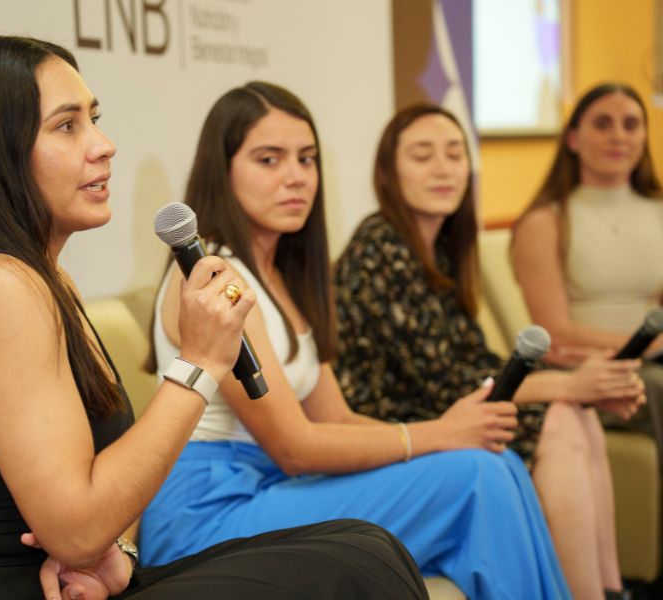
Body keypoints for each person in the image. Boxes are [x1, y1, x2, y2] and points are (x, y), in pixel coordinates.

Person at [0, 36, 430, 600]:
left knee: (363, 544)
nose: (104, 145)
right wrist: (199, 363)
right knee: (358, 566)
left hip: (81, 586)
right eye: (67, 126)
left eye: (94, 120)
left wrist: (118, 556)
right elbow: (75, 530)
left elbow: (100, 498)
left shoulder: (45, 280)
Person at [143, 81, 572, 600]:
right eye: (269, 159)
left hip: (272, 488)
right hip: (209, 512)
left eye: (306, 159)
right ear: (222, 170)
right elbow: (295, 448)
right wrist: (438, 434)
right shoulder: (212, 277)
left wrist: (447, 437)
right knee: (477, 477)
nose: (296, 177)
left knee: (498, 462)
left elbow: (338, 419)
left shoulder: (285, 276)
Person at [332, 103, 645, 599]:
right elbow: (444, 382)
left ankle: (609, 587)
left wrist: (576, 387)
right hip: (393, 423)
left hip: (438, 402)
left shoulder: (441, 247)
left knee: (574, 412)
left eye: (455, 154)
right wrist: (567, 383)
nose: (443, 169)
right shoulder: (381, 245)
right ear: (388, 173)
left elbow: (472, 361)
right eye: (423, 156)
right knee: (558, 419)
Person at [512, 82, 663, 466]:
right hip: (588, 370)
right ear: (574, 139)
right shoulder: (544, 223)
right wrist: (648, 346)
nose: (619, 136)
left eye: (631, 124)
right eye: (603, 124)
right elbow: (556, 332)